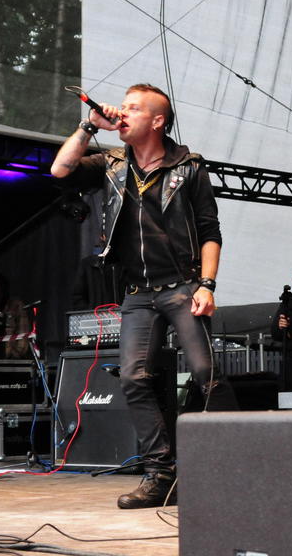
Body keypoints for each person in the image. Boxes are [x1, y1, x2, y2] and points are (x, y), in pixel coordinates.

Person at [51, 83, 235, 509]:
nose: (123, 113)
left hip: (183, 286)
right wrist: (88, 126)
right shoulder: (111, 164)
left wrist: (207, 285)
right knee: (133, 379)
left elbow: (210, 231)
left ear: (157, 120)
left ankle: (228, 465)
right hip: (138, 293)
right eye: (123, 106)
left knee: (206, 374)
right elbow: (60, 170)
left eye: (133, 108)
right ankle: (161, 476)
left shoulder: (189, 167)